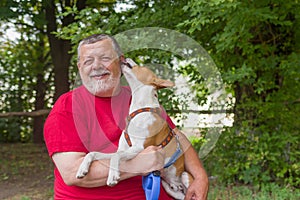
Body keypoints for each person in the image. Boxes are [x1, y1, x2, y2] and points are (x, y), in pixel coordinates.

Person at [44, 34, 208, 200]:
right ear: (80, 68)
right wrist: (136, 165)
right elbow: (72, 173)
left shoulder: (138, 97)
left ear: (120, 62)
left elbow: (175, 135)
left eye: (105, 58)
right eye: (88, 61)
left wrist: (200, 177)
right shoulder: (67, 107)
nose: (96, 66)